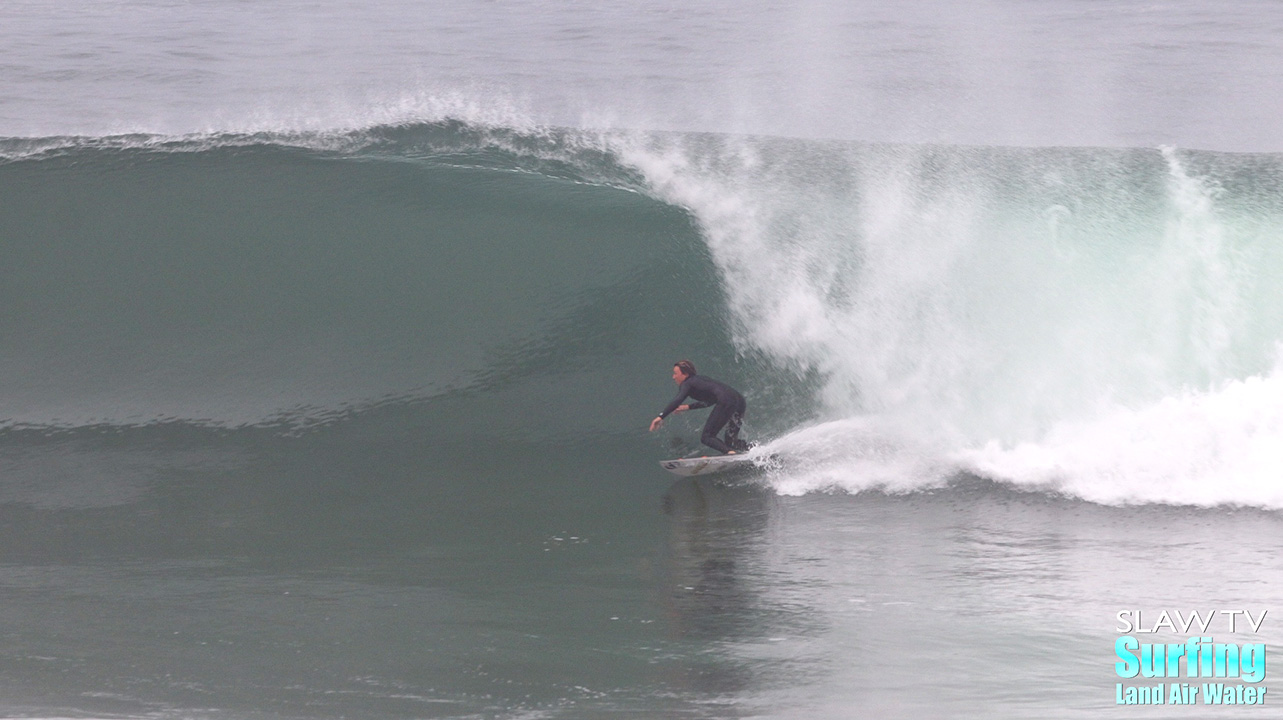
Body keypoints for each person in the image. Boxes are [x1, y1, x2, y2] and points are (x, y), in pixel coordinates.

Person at [649, 360, 750, 454]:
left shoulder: (687, 383)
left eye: (675, 373)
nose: (673, 377)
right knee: (731, 441)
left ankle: (730, 453)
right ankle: (755, 450)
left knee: (707, 437)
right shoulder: (700, 380)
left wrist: (661, 416)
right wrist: (688, 407)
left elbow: (678, 399)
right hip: (739, 400)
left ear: (685, 374)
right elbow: (711, 401)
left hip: (727, 401)